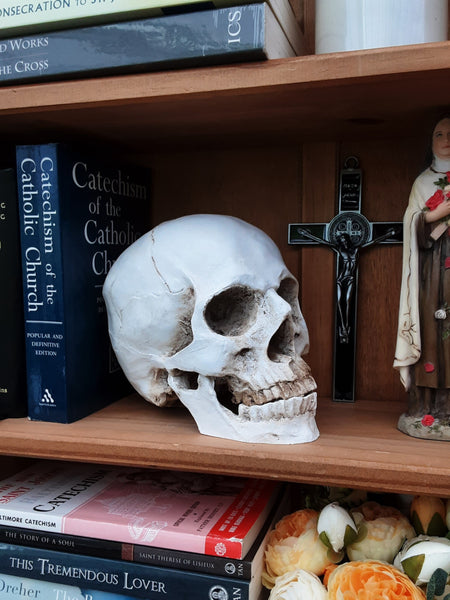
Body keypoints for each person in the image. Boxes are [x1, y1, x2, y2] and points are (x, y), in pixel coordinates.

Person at [394, 114, 450, 438]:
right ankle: (425, 404)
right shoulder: (422, 182)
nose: (445, 139)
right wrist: (435, 215)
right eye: (439, 133)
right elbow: (411, 224)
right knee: (431, 331)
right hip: (431, 274)